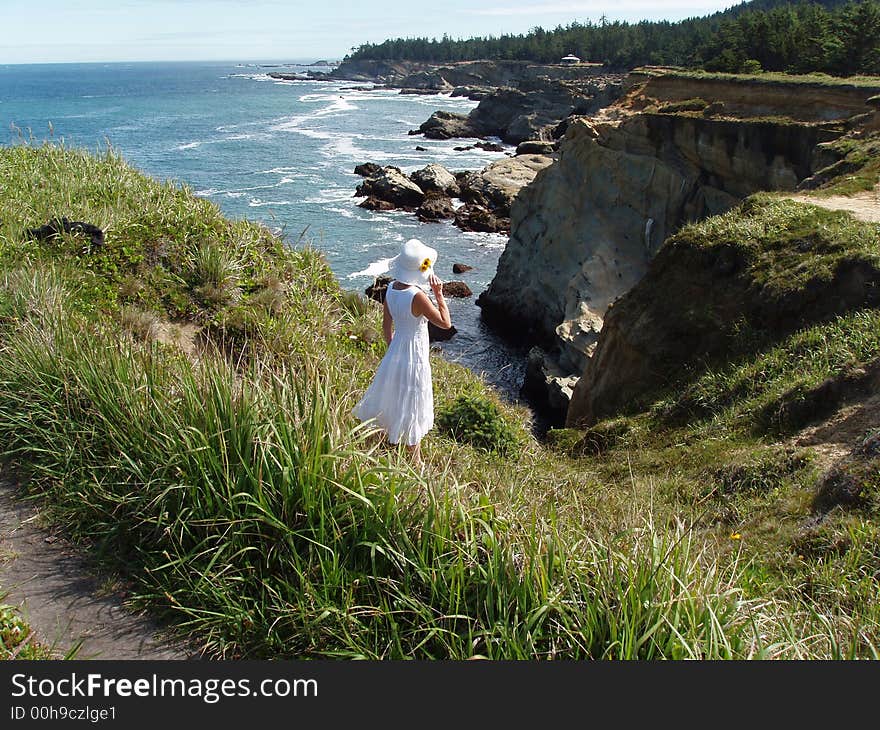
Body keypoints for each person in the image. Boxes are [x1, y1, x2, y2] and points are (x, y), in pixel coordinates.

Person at [353, 238, 452, 465]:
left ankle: (383, 438)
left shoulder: (390, 289)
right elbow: (445, 323)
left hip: (396, 350)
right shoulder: (417, 296)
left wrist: (392, 351)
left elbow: (386, 325)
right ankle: (415, 460)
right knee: (413, 400)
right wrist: (438, 294)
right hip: (414, 355)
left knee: (391, 394)